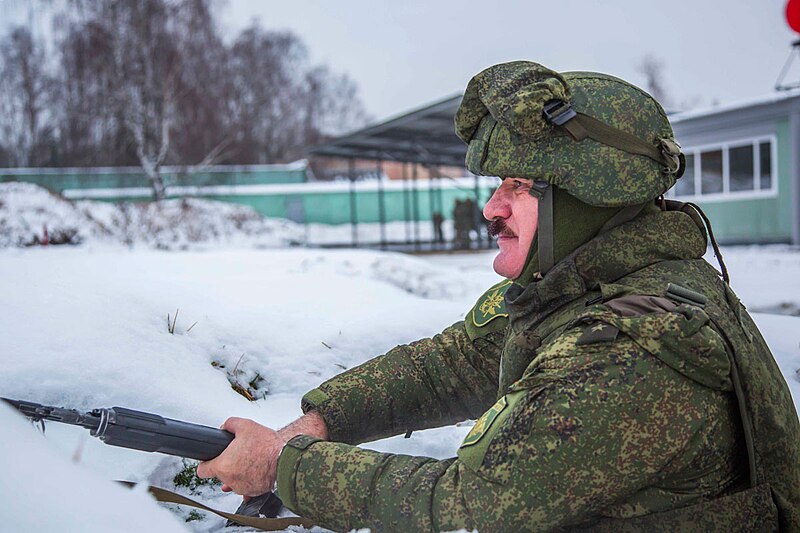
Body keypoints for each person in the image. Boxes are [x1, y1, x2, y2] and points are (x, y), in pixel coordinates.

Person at [197, 61, 800, 532]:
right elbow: (453, 365)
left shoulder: (632, 351)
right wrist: (321, 421)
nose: (491, 208)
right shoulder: (579, 289)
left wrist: (285, 467)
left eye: (519, 187)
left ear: (589, 195)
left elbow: (479, 507)